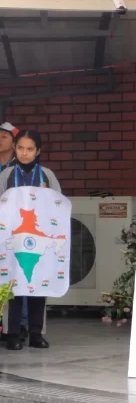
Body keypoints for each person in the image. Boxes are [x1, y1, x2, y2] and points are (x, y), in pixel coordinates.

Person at [0, 130, 61, 351]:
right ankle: (13, 333)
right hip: (13, 239)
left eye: (30, 149)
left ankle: (36, 333)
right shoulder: (6, 175)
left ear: (38, 151)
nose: (24, 153)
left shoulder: (47, 175)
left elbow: (59, 205)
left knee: (38, 284)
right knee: (13, 287)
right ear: (15, 148)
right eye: (20, 148)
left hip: (39, 239)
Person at [0, 123, 29, 341]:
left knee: (20, 274)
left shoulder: (23, 167)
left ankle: (20, 324)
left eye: (4, 136)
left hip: (18, 230)